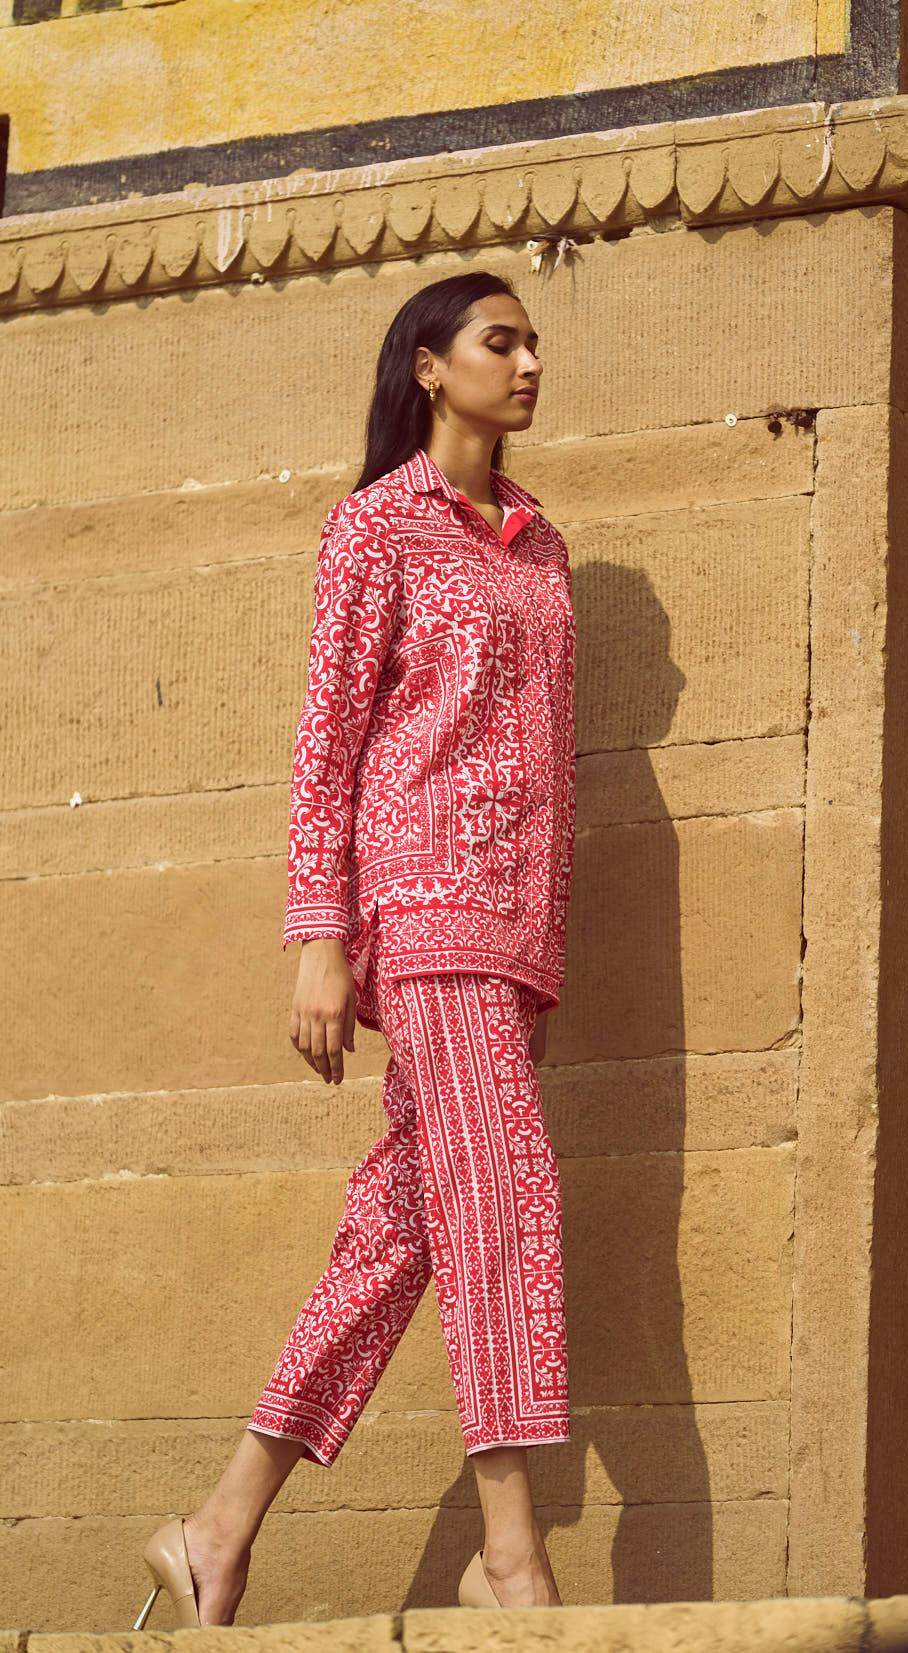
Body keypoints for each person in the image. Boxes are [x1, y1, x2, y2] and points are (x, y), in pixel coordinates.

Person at [133, 271, 577, 1627]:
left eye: (533, 342)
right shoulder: (376, 526)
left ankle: (217, 1526)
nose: (528, 362)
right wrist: (319, 936)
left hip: (511, 931)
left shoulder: (540, 545)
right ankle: (509, 1555)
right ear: (429, 367)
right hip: (423, 902)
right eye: (499, 341)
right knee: (506, 1202)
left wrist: (542, 942)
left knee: (401, 1228)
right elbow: (326, 740)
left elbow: (551, 758)